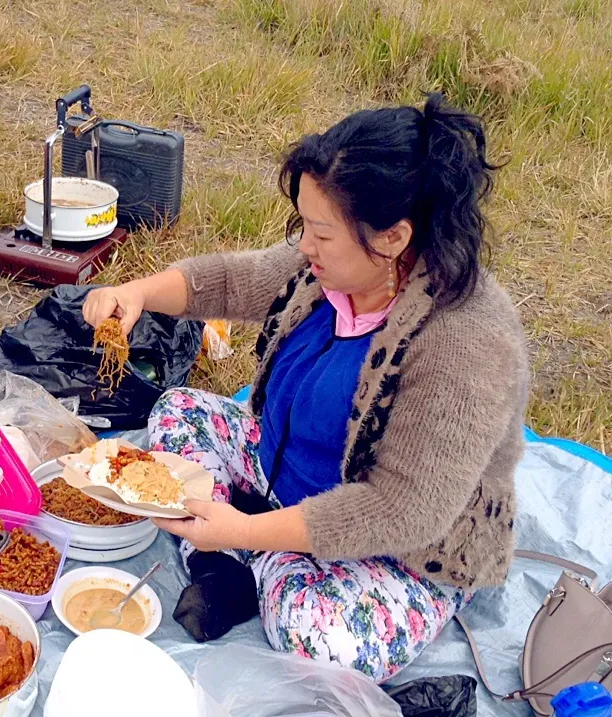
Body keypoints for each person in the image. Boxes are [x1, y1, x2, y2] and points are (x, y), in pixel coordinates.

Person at [83, 93, 530, 683]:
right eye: (304, 226)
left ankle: (239, 558)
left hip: (397, 543)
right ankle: (245, 554)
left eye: (320, 232)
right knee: (180, 410)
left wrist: (243, 531)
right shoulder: (331, 270)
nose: (303, 246)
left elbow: (403, 510)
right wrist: (135, 293)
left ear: (393, 238)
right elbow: (229, 279)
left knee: (320, 635)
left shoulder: (464, 342)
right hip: (281, 478)